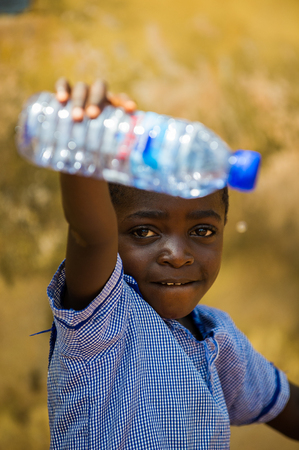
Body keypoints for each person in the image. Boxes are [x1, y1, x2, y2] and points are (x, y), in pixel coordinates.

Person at [46, 78, 299, 449]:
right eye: (145, 232)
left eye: (202, 230)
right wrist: (83, 147)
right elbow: (91, 235)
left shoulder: (217, 336)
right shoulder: (104, 323)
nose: (178, 255)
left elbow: (287, 407)